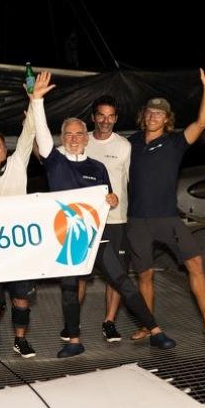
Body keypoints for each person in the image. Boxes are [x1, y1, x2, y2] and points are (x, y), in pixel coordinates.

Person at [29, 72, 177, 357]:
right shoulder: (55, 162)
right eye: (68, 134)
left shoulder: (97, 167)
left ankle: (155, 331)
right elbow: (43, 138)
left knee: (122, 281)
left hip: (99, 237)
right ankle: (73, 341)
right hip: (69, 239)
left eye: (78, 134)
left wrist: (111, 198)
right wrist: (37, 101)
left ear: (86, 138)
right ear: (63, 139)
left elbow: (108, 198)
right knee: (70, 289)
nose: (73, 138)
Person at [127, 59, 205, 338]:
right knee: (144, 275)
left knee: (194, 263)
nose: (153, 117)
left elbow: (202, 122)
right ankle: (148, 326)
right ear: (143, 115)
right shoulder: (130, 143)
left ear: (167, 119)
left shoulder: (175, 142)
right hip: (137, 220)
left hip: (168, 218)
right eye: (150, 112)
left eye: (159, 114)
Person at [0, 91, 37, 361]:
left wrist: (34, 100)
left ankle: (20, 341)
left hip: (20, 247)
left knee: (21, 299)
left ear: (6, 148)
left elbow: (29, 133)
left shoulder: (17, 164)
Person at [71, 95, 128, 343]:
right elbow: (52, 156)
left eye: (110, 116)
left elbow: (132, 181)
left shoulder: (125, 146)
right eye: (101, 115)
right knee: (80, 274)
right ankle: (73, 323)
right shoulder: (82, 140)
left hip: (115, 220)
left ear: (115, 118)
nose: (105, 121)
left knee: (116, 275)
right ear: (93, 117)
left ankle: (110, 322)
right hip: (85, 221)